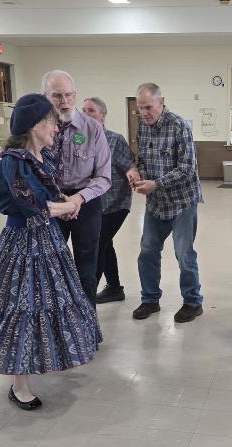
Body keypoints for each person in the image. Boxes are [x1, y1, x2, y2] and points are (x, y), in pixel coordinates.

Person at [0, 94, 102, 410]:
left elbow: (49, 196)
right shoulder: (13, 162)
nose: (56, 129)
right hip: (22, 244)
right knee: (21, 307)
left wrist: (65, 204)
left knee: (48, 302)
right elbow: (31, 206)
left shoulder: (40, 158)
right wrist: (67, 206)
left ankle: (38, 362)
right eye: (51, 123)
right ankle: (19, 384)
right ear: (35, 126)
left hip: (46, 241)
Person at [132, 82, 204, 323]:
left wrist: (156, 184)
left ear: (161, 103)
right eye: (140, 108)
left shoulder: (179, 126)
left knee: (184, 254)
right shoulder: (142, 127)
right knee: (148, 251)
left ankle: (193, 303)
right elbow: (141, 158)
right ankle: (150, 299)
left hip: (182, 201)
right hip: (156, 203)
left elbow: (187, 169)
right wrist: (140, 175)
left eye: (148, 107)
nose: (143, 113)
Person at [41, 70, 112, 307]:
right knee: (51, 266)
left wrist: (78, 199)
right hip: (51, 203)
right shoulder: (38, 129)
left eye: (69, 95)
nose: (65, 102)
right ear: (45, 96)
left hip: (86, 202)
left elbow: (103, 177)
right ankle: (58, 322)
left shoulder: (92, 129)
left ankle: (86, 323)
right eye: (57, 96)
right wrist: (61, 200)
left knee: (86, 266)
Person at [82, 97, 140, 304]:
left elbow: (128, 165)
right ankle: (114, 287)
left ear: (102, 116)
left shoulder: (115, 140)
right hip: (90, 204)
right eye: (84, 110)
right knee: (106, 244)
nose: (86, 114)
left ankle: (86, 298)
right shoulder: (79, 139)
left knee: (97, 244)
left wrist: (133, 174)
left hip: (115, 204)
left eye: (91, 111)